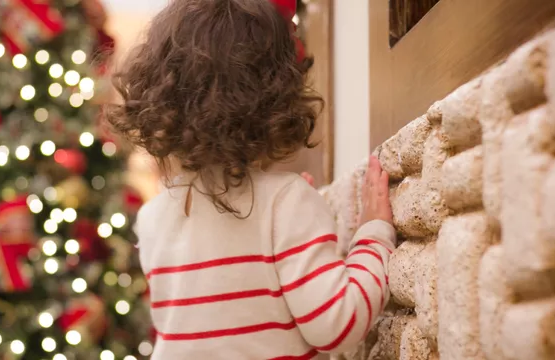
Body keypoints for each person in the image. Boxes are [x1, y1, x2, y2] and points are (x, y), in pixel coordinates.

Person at [106, 0, 395, 358]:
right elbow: (338, 325)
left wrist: (288, 218)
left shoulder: (152, 218)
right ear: (276, 94)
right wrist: (373, 235)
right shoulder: (285, 201)